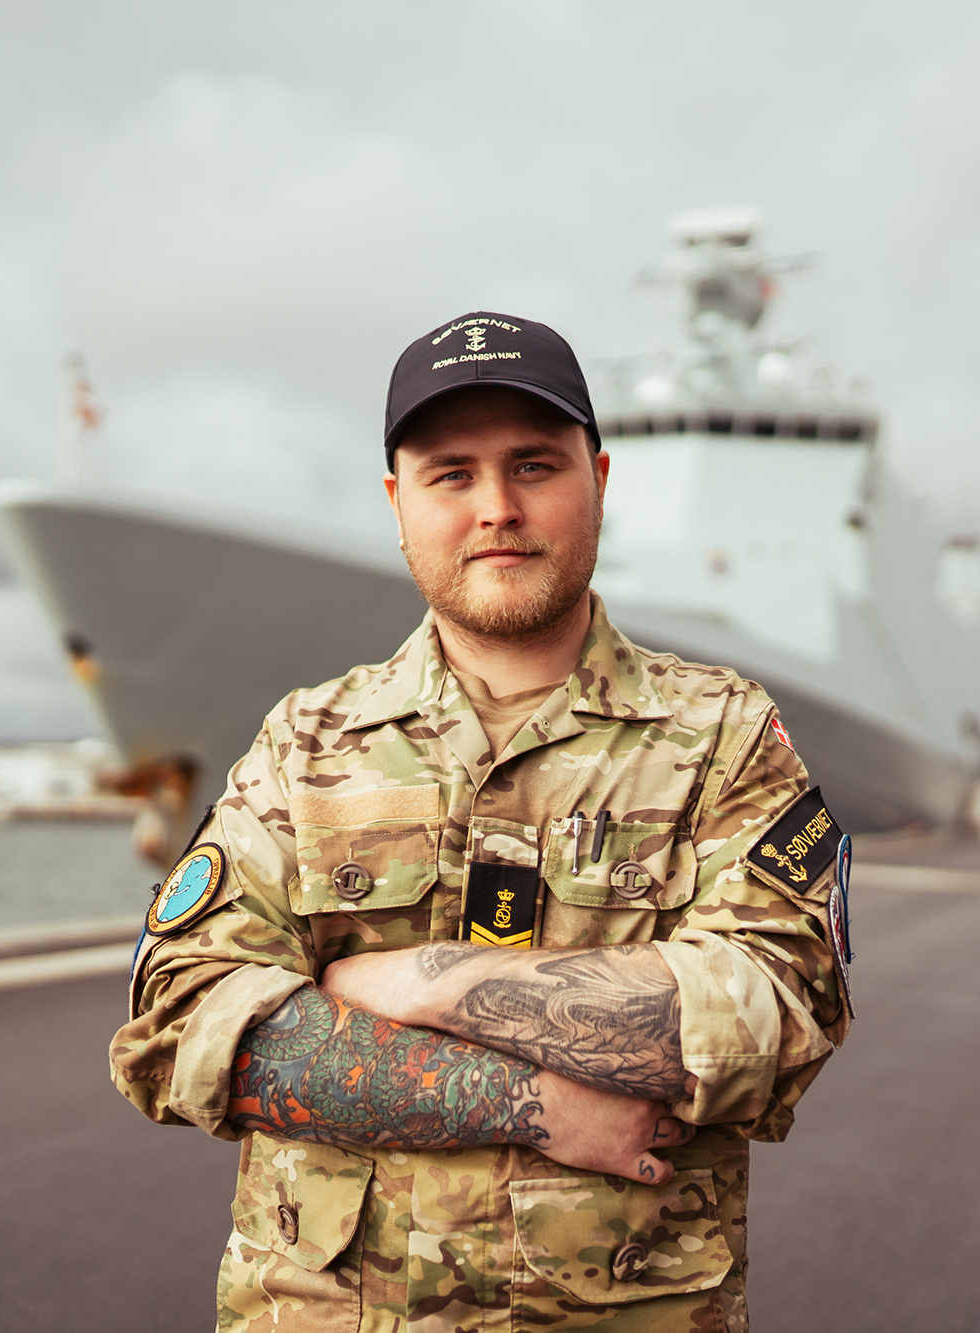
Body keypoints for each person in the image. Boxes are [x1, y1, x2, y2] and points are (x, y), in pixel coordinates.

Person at [110, 311, 854, 1332]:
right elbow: (182, 1022)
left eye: (533, 465)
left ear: (599, 480)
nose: (496, 508)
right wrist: (535, 1104)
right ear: (397, 503)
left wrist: (420, 979)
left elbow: (774, 1014)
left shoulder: (724, 732)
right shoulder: (304, 742)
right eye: (451, 474)